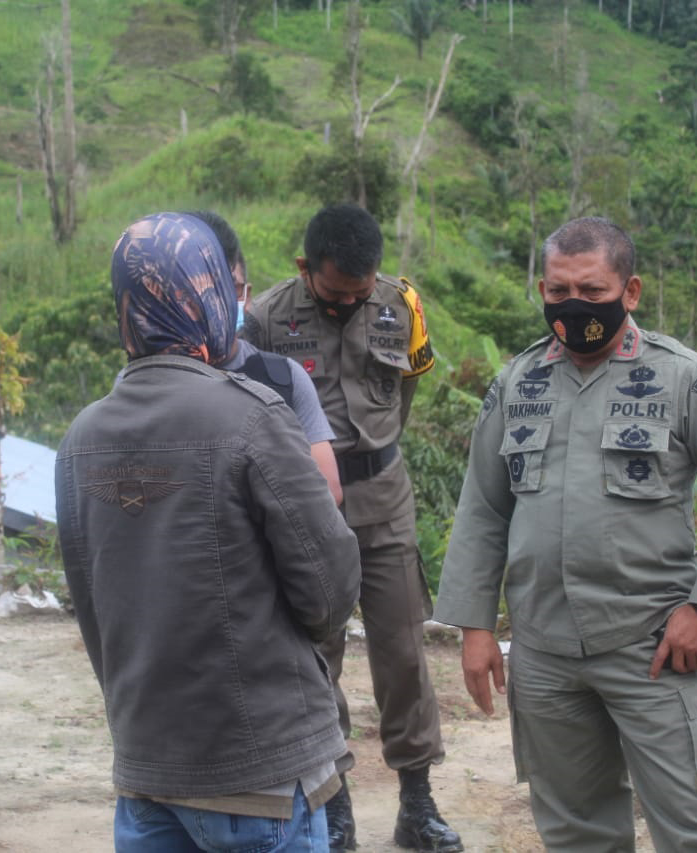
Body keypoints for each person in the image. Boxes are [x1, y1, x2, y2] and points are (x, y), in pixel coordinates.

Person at [434, 217, 697, 851]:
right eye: (559, 290)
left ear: (632, 290)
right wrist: (476, 627)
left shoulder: (684, 377)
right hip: (542, 652)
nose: (573, 306)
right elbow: (484, 508)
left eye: (593, 292)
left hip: (652, 646)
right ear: (541, 288)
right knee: (575, 831)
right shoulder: (518, 381)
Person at [56, 211, 361, 851]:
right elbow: (330, 588)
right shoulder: (252, 416)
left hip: (145, 770)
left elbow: (92, 608)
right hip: (259, 774)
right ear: (212, 294)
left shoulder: (80, 438)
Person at [242, 203, 460, 853]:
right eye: (337, 292)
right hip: (306, 502)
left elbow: (406, 392)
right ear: (306, 269)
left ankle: (417, 804)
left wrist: (374, 449)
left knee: (403, 651)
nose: (350, 302)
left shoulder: (402, 305)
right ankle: (334, 807)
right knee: (318, 656)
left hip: (385, 496)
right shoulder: (265, 321)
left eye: (360, 292)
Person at [186, 210, 341, 503]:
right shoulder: (145, 385)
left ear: (246, 294)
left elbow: (328, 493)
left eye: (229, 289)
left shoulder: (285, 379)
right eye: (203, 291)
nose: (217, 304)